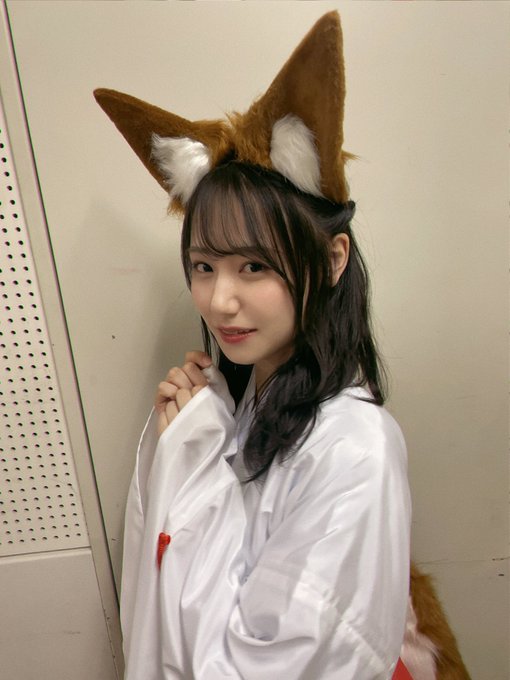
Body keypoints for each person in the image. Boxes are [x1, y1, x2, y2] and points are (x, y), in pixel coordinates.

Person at [95, 12, 411, 679]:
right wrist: (188, 438)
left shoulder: (354, 450)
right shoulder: (246, 400)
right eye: (204, 265)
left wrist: (195, 456)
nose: (219, 300)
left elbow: (262, 666)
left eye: (254, 266)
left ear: (332, 259)